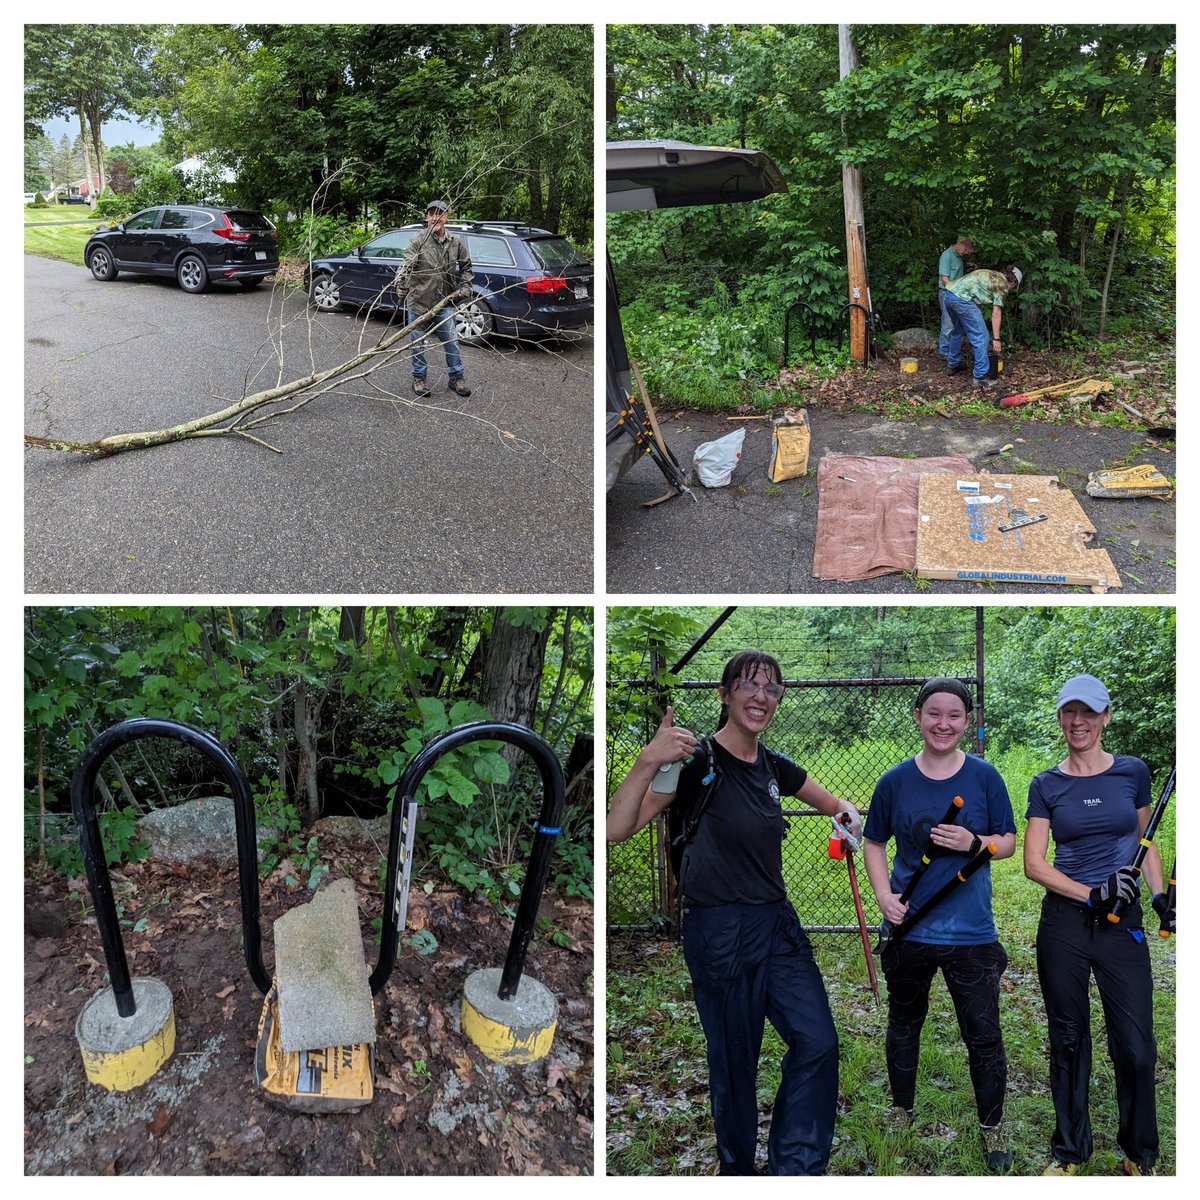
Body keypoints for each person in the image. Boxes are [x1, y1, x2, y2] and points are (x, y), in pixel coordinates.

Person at [606, 650, 863, 1176]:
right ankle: (739, 1173)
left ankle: (793, 1170)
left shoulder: (774, 767)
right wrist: (647, 760)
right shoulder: (695, 761)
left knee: (817, 1041)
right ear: (725, 695)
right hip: (717, 931)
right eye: (748, 685)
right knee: (734, 1062)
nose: (761, 697)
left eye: (771, 688)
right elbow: (618, 827)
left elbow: (836, 805)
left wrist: (848, 818)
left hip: (777, 926)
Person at [863, 678, 1016, 1173]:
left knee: (983, 1034)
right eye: (934, 713)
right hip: (911, 929)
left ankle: (993, 1126)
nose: (943, 723)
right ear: (918, 716)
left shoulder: (986, 777)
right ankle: (901, 1111)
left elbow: (1008, 842)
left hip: (972, 933)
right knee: (904, 1024)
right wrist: (885, 896)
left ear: (967, 721)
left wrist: (974, 843)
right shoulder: (894, 781)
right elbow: (874, 842)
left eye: (954, 715)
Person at [1023, 674, 1169, 1177]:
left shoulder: (1132, 773)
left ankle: (1139, 1153)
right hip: (1065, 921)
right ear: (1061, 717)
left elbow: (1143, 843)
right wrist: (1089, 892)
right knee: (1068, 1038)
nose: (1078, 722)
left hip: (1121, 924)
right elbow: (1034, 864)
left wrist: (1159, 895)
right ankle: (1069, 1152)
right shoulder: (1046, 783)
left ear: (1106, 717)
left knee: (1136, 1044)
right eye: (1070, 712)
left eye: (1088, 712)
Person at [394, 200, 473, 398]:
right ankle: (419, 379)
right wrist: (400, 284)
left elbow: (466, 267)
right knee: (418, 344)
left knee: (452, 342)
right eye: (431, 214)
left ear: (446, 216)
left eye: (440, 213)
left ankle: (456, 377)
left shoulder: (455, 242)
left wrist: (465, 287)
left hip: (445, 302)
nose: (435, 217)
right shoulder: (418, 241)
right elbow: (406, 265)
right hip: (420, 301)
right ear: (427, 217)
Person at [942, 265, 1022, 386]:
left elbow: (975, 297)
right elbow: (996, 312)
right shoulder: (1002, 285)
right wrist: (996, 339)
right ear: (1014, 281)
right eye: (1014, 286)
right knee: (982, 337)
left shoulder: (991, 274)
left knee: (958, 331)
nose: (1012, 289)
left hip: (949, 295)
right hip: (962, 300)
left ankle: (953, 364)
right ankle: (980, 377)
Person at [937, 237, 974, 362]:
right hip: (947, 293)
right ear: (959, 243)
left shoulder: (959, 257)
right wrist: (957, 289)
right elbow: (944, 279)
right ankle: (944, 351)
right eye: (965, 250)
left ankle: (954, 349)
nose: (966, 253)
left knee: (958, 323)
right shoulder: (946, 256)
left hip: (957, 294)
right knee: (948, 323)